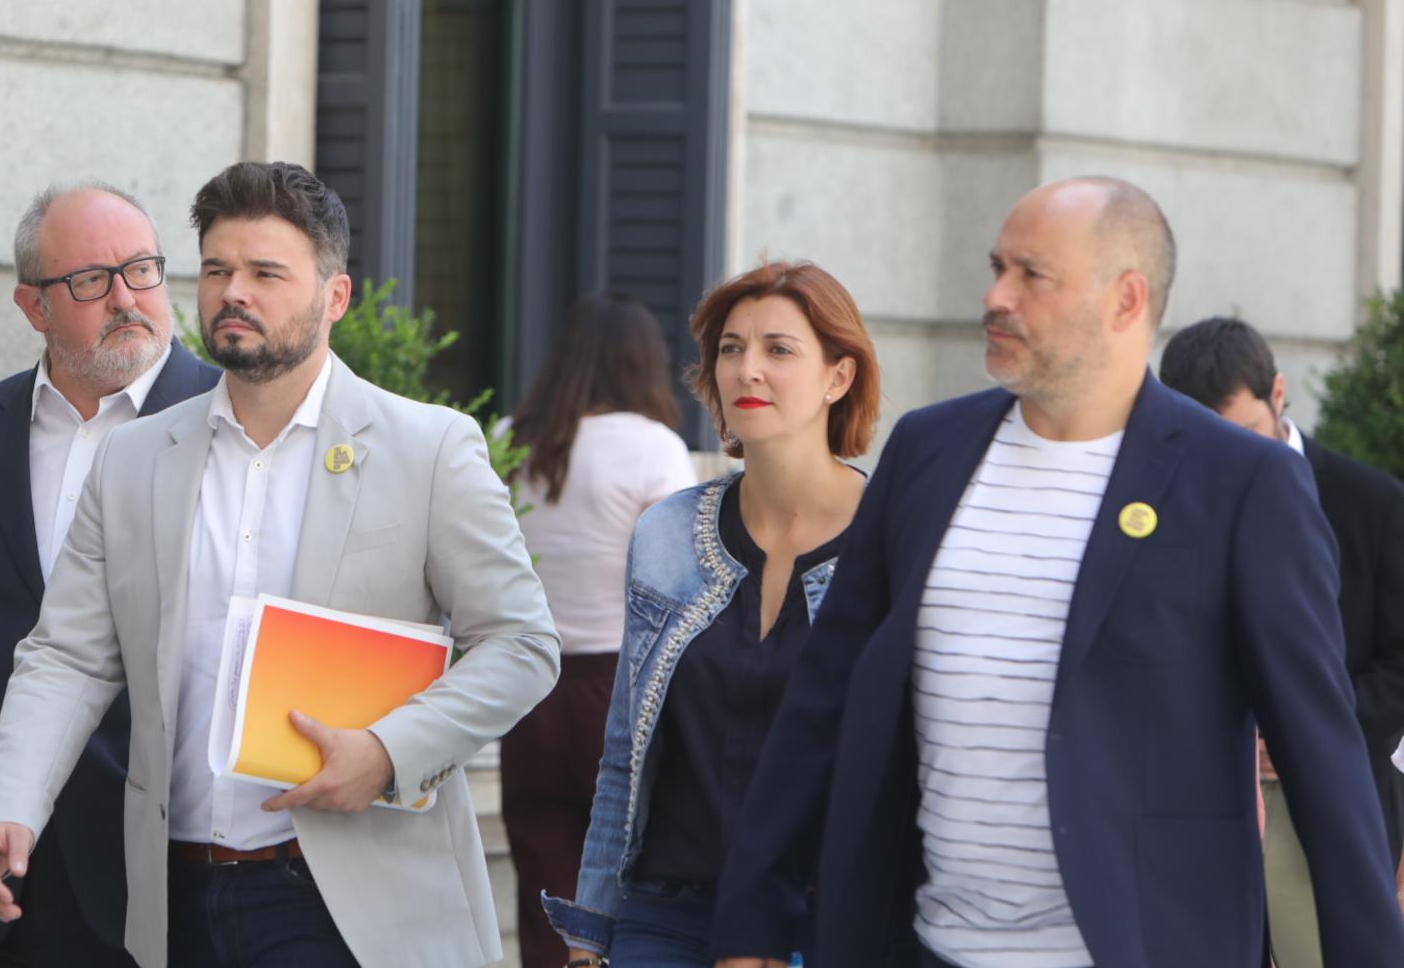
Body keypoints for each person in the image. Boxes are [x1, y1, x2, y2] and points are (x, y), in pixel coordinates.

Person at [711, 177, 1404, 968]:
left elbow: (1324, 758)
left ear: (1126, 299)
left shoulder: (1243, 483)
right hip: (926, 947)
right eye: (996, 267)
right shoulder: (928, 451)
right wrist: (753, 914)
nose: (995, 296)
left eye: (1031, 275)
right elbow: (824, 694)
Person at [0, 160, 561, 968]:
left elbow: (522, 645)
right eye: (217, 270)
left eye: (265, 273)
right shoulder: (131, 459)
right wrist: (11, 803)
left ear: (335, 296)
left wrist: (387, 752)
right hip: (176, 899)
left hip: (349, 903)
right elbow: (67, 654)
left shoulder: (430, 449)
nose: (233, 292)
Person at [0, 184, 219, 966]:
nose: (126, 298)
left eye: (142, 269)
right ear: (34, 306)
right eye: (91, 280)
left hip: (150, 877)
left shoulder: (223, 422)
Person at [540, 262, 879, 968]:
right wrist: (588, 936)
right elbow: (625, 751)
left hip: (823, 916)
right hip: (666, 910)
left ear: (838, 377)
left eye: (778, 349)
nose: (747, 369)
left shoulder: (892, 535)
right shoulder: (667, 532)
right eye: (731, 348)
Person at [1158, 314, 1404, 967]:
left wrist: (1304, 729)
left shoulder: (1374, 503)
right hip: (1193, 800)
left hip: (1323, 796)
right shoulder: (1157, 504)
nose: (1226, 461)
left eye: (1243, 435)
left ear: (1279, 393)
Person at [500, 291, 699, 968]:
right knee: (637, 904)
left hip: (529, 691)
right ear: (643, 363)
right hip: (623, 687)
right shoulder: (654, 447)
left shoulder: (510, 439)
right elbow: (686, 583)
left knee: (546, 905)